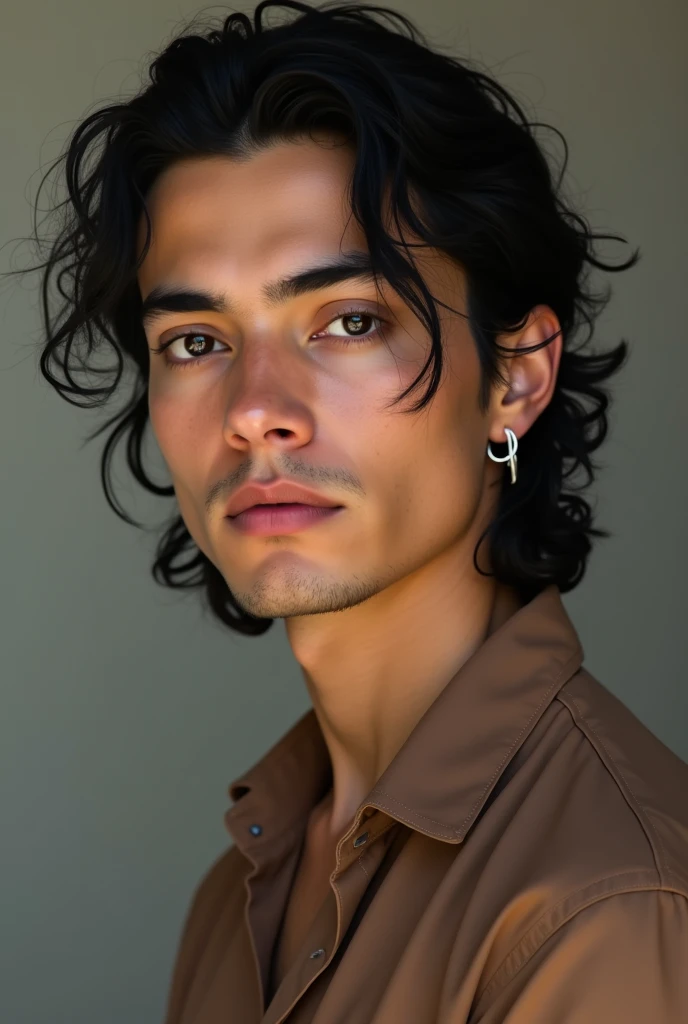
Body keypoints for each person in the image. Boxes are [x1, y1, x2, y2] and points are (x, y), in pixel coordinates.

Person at [12, 2, 688, 1020]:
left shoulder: (606, 907)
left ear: (515, 376)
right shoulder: (241, 886)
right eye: (195, 340)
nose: (253, 410)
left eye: (348, 320)